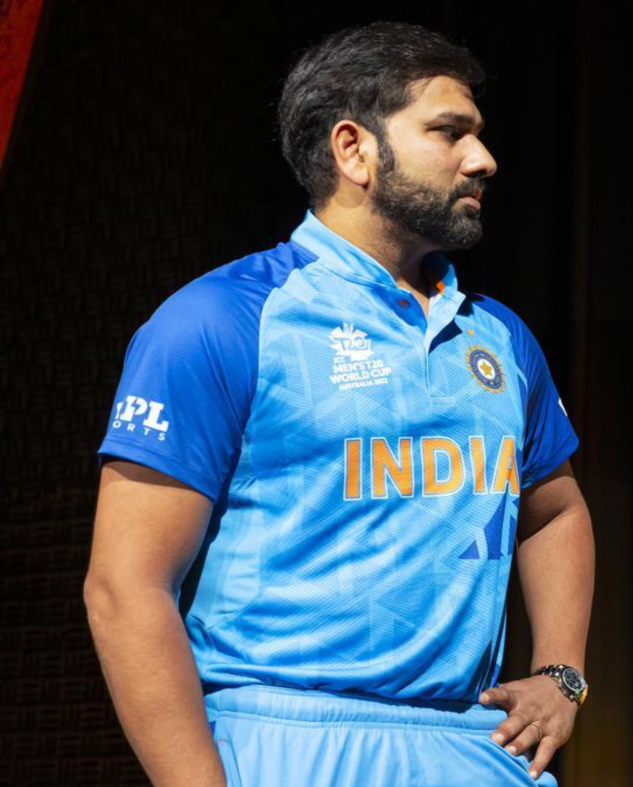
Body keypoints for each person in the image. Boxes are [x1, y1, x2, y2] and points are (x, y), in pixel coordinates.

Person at [84, 22, 593, 787]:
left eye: (478, 134)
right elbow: (125, 587)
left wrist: (562, 675)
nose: (483, 158)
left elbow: (556, 512)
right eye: (449, 131)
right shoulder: (221, 319)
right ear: (354, 150)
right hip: (286, 737)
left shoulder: (502, 338)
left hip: (472, 744)